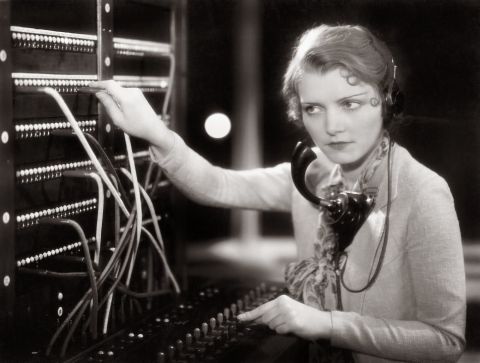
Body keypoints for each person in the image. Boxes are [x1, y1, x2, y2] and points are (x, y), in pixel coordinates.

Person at [91, 24, 466, 363]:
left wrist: (327, 324)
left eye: (349, 104)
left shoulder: (424, 193)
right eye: (313, 109)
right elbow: (217, 184)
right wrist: (155, 133)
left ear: (386, 100)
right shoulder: (312, 173)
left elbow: (445, 341)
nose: (332, 127)